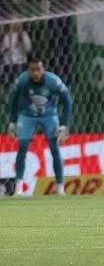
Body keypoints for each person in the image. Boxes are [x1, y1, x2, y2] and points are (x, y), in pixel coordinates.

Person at [7, 56, 73, 197]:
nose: (35, 73)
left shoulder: (53, 81)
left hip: (49, 115)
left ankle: (60, 189)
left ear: (43, 69)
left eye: (38, 69)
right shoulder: (22, 80)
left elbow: (67, 100)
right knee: (22, 148)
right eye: (32, 70)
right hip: (27, 115)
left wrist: (64, 125)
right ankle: (18, 188)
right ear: (28, 70)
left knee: (55, 148)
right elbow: (13, 99)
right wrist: (12, 121)